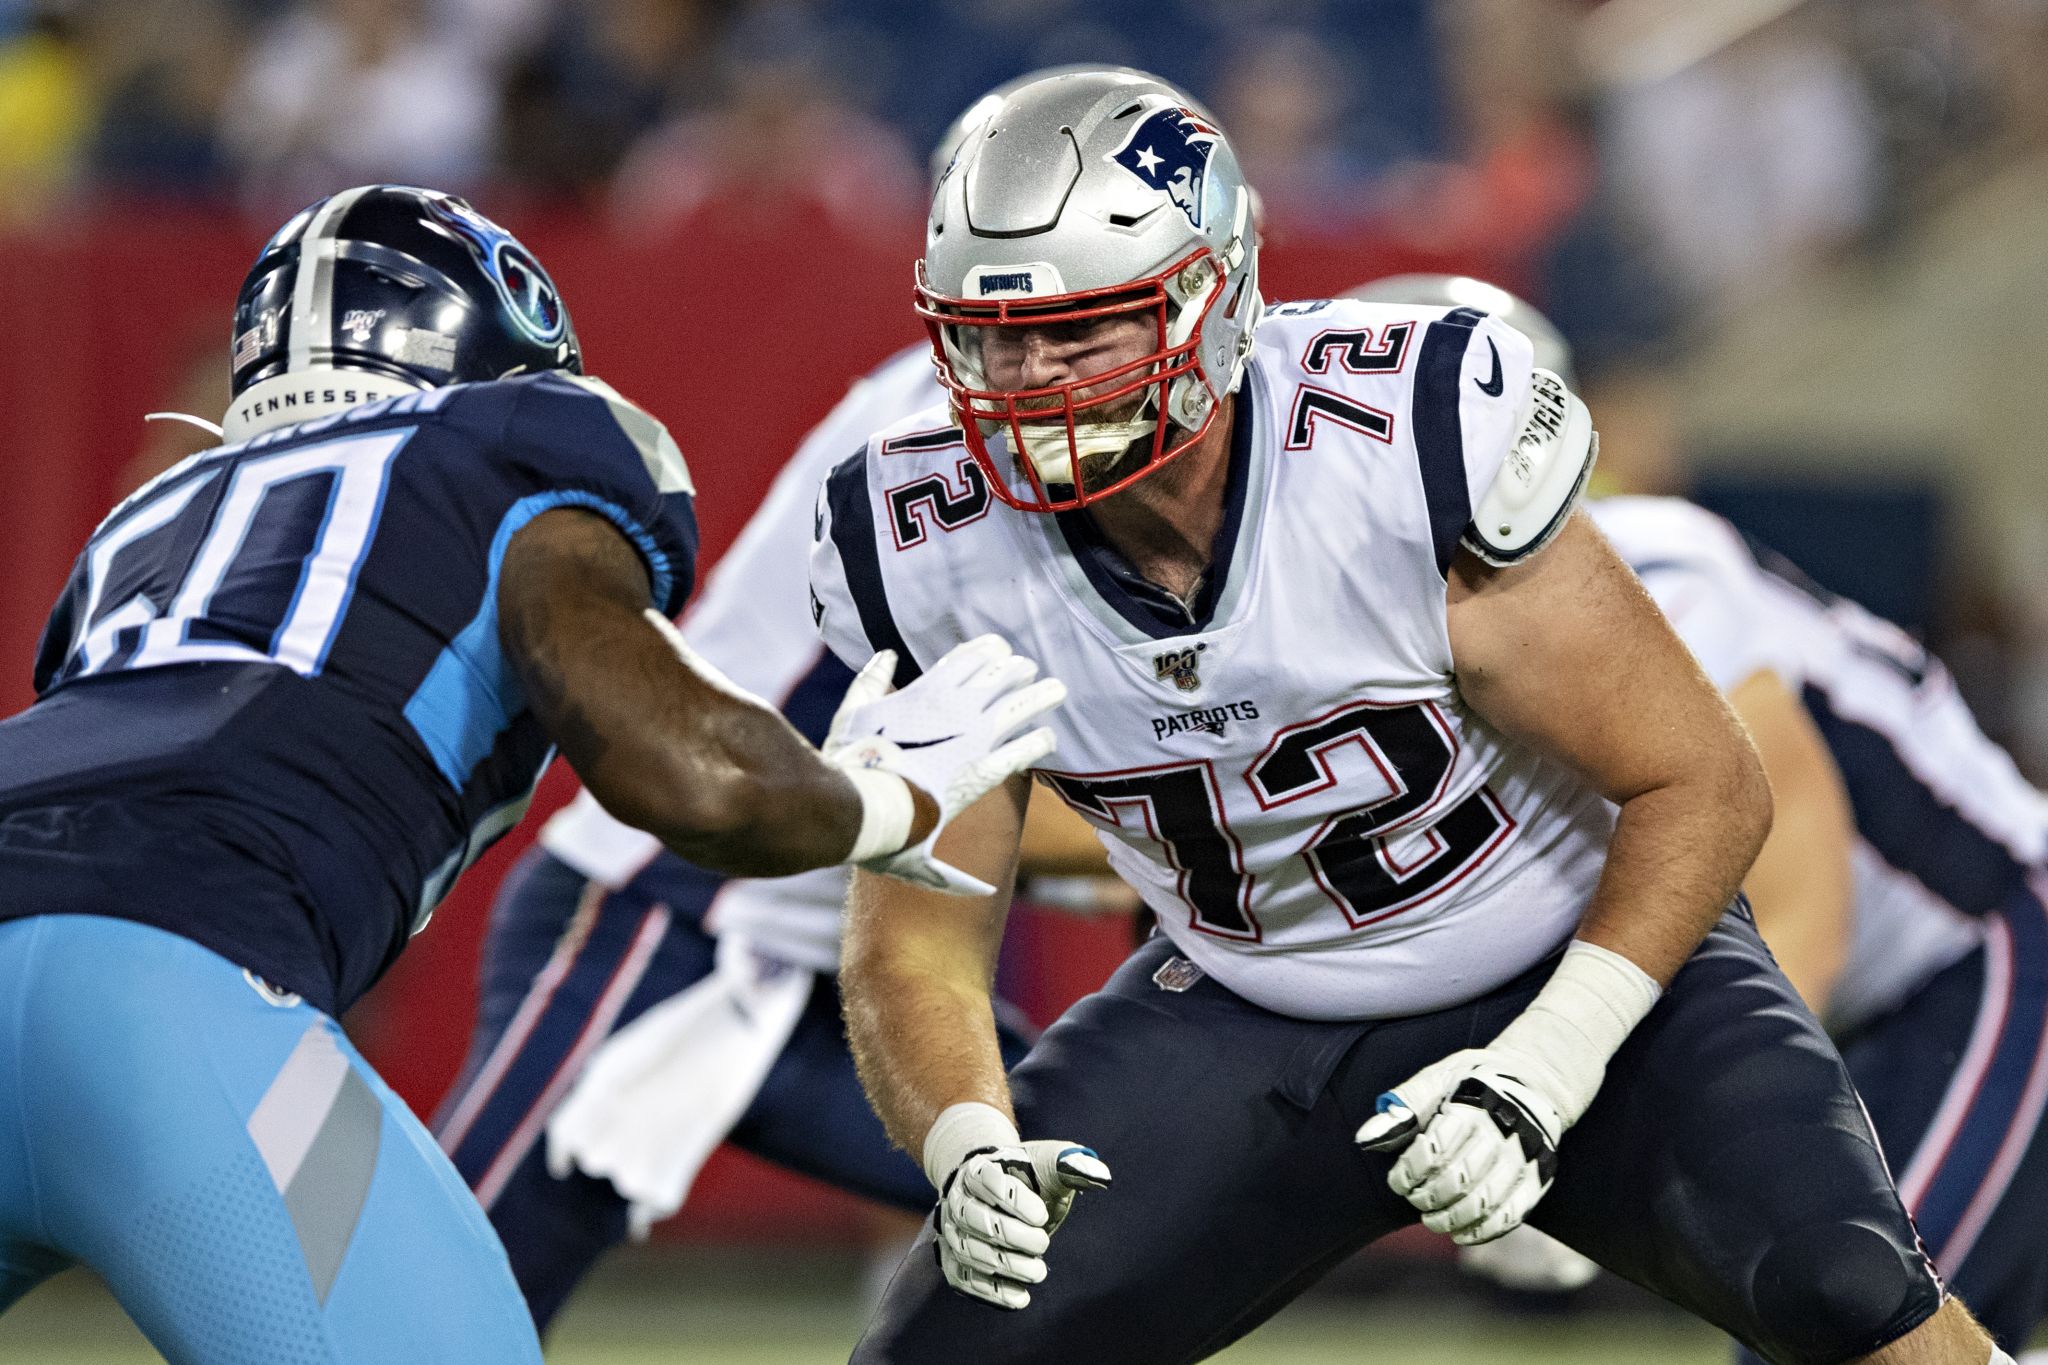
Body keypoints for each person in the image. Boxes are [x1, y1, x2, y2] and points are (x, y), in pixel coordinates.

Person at [814, 70, 2007, 1364]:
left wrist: (1552, 1066)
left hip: (1560, 945)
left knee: (1846, 1293)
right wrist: (966, 1137)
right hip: (1242, 1002)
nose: (1025, 382)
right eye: (988, 339)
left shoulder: (1400, 438)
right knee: (943, 1349)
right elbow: (918, 933)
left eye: (1081, 333)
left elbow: (1702, 781)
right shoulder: (922, 543)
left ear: (1209, 297)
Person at [0, 184, 1061, 1363]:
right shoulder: (512, 446)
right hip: (168, 988)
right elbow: (687, 781)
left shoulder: (140, 533)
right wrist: (883, 797)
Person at [434, 69, 1138, 1333]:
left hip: (819, 959)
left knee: (1104, 1198)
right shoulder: (964, 449)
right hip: (660, 912)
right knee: (430, 1310)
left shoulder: (1025, 426)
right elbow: (932, 789)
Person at [1365, 277, 2048, 1352]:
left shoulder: (1652, 570)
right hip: (1879, 999)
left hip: (1989, 948)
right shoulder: (1385, 643)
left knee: (1851, 1326)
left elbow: (1791, 878)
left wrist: (1597, 1113)